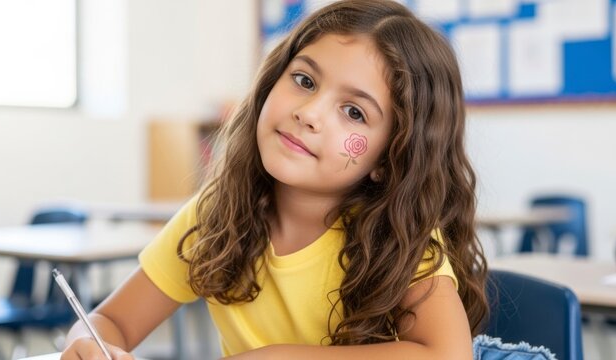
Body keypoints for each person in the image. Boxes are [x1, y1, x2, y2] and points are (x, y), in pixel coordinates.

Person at [62, 1, 488, 358]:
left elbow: (446, 354)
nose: (310, 113)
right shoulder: (216, 214)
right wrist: (88, 343)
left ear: (391, 156)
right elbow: (110, 321)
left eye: (354, 112)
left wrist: (280, 356)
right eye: (304, 81)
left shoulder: (400, 237)